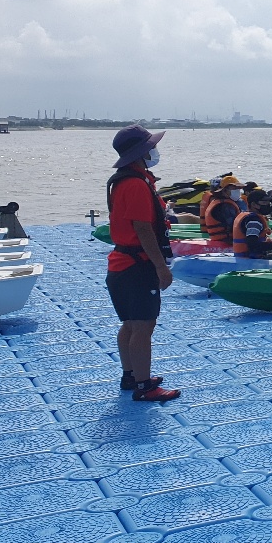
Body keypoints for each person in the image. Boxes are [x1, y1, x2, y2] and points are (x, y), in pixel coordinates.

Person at [105, 124, 181, 402]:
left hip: (120, 265)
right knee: (143, 326)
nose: (155, 151)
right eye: (151, 147)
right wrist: (161, 267)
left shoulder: (125, 180)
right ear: (141, 153)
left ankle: (130, 375)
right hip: (135, 267)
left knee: (130, 324)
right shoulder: (136, 184)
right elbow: (143, 229)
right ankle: (144, 386)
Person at [232, 190, 272, 260]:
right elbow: (253, 245)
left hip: (241, 257)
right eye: (264, 202)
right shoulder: (253, 220)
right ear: (254, 204)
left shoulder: (247, 215)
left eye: (268, 202)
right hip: (250, 259)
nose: (268, 205)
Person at [201, 175, 243, 244]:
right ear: (224, 190)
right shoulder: (225, 206)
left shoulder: (219, 201)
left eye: (238, 188)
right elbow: (234, 226)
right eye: (234, 188)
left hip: (219, 239)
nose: (237, 191)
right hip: (226, 240)